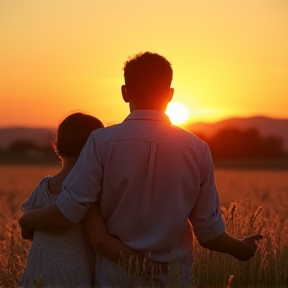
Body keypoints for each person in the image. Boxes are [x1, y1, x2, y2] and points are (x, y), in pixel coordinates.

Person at [19, 52, 262, 287]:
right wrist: (241, 248)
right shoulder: (197, 150)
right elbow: (209, 235)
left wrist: (26, 219)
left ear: (125, 92)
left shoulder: (101, 143)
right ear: (170, 95)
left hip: (115, 277)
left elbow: (67, 214)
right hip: (173, 277)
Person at [19, 112, 145, 288]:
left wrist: (27, 220)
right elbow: (100, 242)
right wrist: (144, 265)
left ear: (58, 146)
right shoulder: (88, 192)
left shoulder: (43, 186)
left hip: (37, 277)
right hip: (71, 279)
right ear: (96, 148)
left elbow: (27, 233)